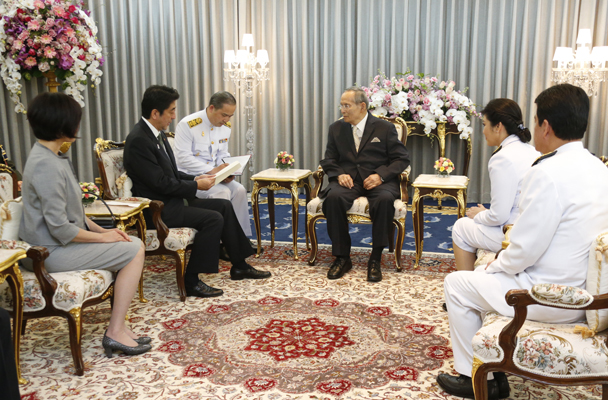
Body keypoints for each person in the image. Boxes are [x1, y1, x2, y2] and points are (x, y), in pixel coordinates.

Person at [436, 84, 608, 400]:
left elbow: (523, 251)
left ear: (545, 126)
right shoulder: (599, 167)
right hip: (586, 290)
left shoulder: (547, 173)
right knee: (484, 272)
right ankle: (493, 369)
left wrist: (492, 268)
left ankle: (477, 378)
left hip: (548, 297)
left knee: (458, 284)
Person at [19, 92, 151, 358]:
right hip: (48, 252)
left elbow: (74, 213)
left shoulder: (48, 156)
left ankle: (119, 327)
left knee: (126, 241)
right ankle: (115, 331)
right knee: (135, 248)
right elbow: (61, 228)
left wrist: (104, 231)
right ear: (62, 124)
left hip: (54, 244)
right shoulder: (47, 165)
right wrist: (105, 240)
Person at [123, 85, 270, 299]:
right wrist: (195, 186)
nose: (174, 116)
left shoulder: (158, 135)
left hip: (171, 201)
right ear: (155, 113)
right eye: (171, 111)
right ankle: (191, 279)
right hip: (159, 209)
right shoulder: (139, 140)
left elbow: (172, 174)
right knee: (213, 219)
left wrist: (196, 178)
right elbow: (161, 184)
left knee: (224, 205)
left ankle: (239, 265)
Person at [319, 87, 410, 282]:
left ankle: (375, 258)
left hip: (378, 181)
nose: (342, 110)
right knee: (333, 198)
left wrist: (381, 176)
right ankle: (342, 257)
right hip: (349, 181)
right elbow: (329, 160)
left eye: (346, 105)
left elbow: (401, 159)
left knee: (385, 200)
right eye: (341, 105)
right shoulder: (336, 128)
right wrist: (339, 173)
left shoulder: (384, 128)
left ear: (362, 106)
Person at [452, 99, 539, 271]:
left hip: (513, 233)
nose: (483, 131)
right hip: (532, 228)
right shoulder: (531, 150)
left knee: (460, 227)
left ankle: (466, 288)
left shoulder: (502, 158)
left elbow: (498, 217)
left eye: (485, 125)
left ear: (498, 127)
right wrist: (486, 213)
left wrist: (478, 215)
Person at [174, 91, 252, 237]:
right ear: (211, 108)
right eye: (224, 115)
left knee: (240, 190)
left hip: (215, 175)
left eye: (230, 116)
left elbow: (222, 154)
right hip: (192, 178)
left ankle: (241, 237)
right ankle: (221, 240)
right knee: (223, 192)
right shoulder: (188, 125)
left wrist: (228, 171)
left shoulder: (225, 127)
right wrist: (212, 170)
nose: (227, 119)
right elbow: (183, 158)